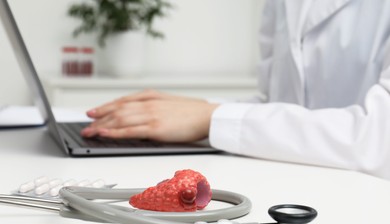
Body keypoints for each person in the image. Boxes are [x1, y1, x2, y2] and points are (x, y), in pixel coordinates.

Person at [81, 0, 390, 180]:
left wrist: (210, 117)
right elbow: (276, 102)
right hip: (297, 185)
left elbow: (379, 140)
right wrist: (184, 113)